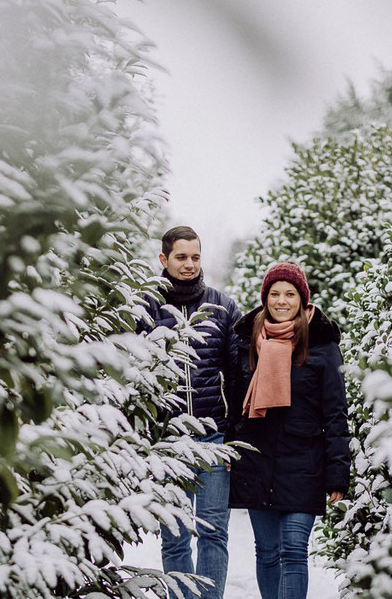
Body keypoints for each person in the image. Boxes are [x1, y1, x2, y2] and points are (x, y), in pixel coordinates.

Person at [226, 262, 351, 599]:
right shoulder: (247, 342)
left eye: (290, 294)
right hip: (257, 459)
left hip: (304, 464)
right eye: (275, 294)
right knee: (266, 553)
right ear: (265, 298)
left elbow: (336, 413)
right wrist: (229, 448)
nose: (282, 301)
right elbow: (235, 405)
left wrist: (338, 473)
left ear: (303, 299)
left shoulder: (323, 347)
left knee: (294, 550)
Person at [137, 226, 243, 599]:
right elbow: (130, 378)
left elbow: (238, 376)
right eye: (181, 257)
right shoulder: (147, 308)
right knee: (176, 535)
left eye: (195, 257)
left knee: (215, 531)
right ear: (164, 259)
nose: (189, 264)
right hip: (167, 443)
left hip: (213, 439)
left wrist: (234, 438)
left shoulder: (223, 307)